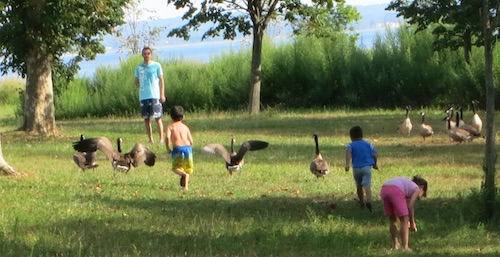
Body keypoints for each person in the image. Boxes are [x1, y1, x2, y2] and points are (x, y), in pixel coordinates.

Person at [380, 176, 428, 251]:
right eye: (423, 194)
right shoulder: (417, 189)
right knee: (404, 219)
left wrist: (412, 222)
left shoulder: (408, 186)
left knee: (393, 219)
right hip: (395, 190)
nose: (420, 197)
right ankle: (405, 247)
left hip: (384, 189)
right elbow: (410, 206)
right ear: (422, 187)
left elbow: (406, 205)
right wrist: (412, 222)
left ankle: (395, 244)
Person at [134, 46, 166, 144]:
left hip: (155, 95)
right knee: (146, 119)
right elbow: (136, 81)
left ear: (151, 55)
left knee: (157, 118)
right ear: (142, 55)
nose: (146, 56)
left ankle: (161, 139)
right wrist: (140, 84)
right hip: (144, 96)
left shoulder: (156, 65)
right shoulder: (139, 67)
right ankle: (151, 139)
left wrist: (162, 94)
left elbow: (161, 80)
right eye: (144, 54)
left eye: (148, 53)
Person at [345, 126, 378, 212]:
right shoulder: (368, 144)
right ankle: (369, 200)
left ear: (351, 137)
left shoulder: (351, 145)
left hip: (356, 168)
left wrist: (347, 164)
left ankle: (361, 202)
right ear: (362, 135)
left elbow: (348, 153)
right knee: (367, 184)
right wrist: (375, 164)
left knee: (359, 185)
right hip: (367, 168)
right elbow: (374, 154)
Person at [165, 105, 193, 190]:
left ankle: (182, 175)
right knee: (187, 168)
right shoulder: (185, 127)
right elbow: (191, 140)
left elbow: (167, 137)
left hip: (178, 149)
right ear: (183, 116)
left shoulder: (171, 127)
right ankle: (186, 187)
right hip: (188, 148)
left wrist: (168, 148)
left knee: (175, 168)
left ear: (171, 116)